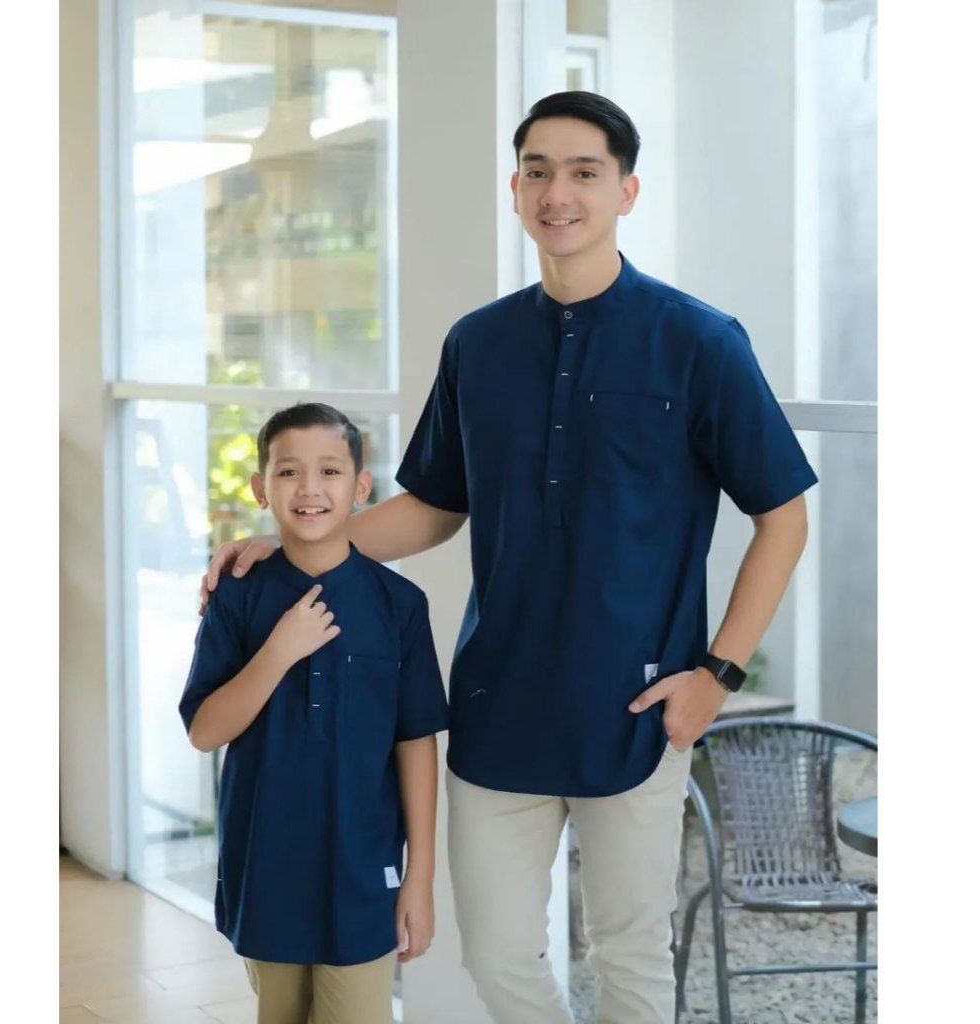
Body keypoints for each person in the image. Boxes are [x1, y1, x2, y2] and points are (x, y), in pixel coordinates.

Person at [200, 92, 818, 1024]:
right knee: (493, 958)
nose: (557, 193)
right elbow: (434, 508)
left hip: (639, 708)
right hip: (499, 706)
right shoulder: (478, 344)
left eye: (584, 173)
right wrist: (300, 542)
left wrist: (717, 676)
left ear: (626, 191)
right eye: (538, 171)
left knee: (631, 958)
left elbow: (783, 516)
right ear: (516, 189)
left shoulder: (699, 342)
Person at [181, 402, 448, 1024]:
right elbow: (205, 731)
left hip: (363, 866)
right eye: (288, 472)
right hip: (265, 864)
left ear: (361, 487)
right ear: (260, 488)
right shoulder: (236, 596)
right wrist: (278, 652)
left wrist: (420, 878)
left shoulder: (400, 604)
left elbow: (415, 742)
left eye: (330, 471)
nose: (309, 488)